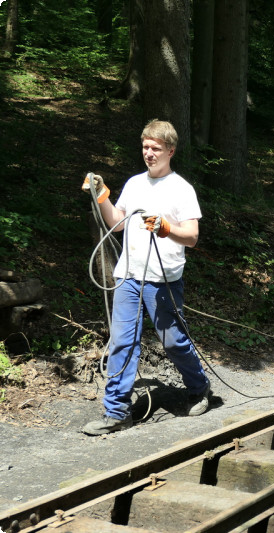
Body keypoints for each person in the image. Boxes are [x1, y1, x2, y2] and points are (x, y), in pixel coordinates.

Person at [81, 119, 211, 435]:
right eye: (145, 147)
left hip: (162, 279)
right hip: (129, 276)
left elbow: (192, 236)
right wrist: (101, 194)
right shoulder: (136, 184)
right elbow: (118, 222)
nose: (149, 153)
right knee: (123, 342)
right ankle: (116, 412)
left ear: (171, 150)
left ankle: (198, 387)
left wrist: (167, 228)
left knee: (173, 341)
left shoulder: (182, 189)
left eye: (155, 148)